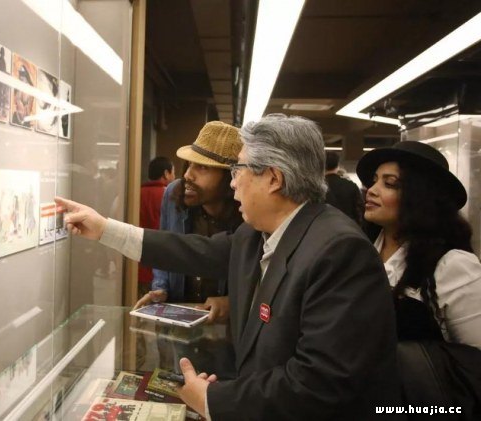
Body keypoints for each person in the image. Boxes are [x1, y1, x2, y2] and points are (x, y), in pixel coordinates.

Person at [55, 114, 401, 420]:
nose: (233, 181)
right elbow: (190, 251)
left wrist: (214, 400)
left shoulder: (339, 252)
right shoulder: (255, 234)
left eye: (239, 170)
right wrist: (104, 229)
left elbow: (319, 382)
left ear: (273, 179)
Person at [356, 141, 481, 348]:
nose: (372, 190)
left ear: (420, 197)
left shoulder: (452, 266)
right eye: (374, 181)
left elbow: (474, 356)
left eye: (390, 184)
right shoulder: (361, 250)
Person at [136, 122, 244, 323]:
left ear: (231, 177)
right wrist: (161, 288)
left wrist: (233, 302)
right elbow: (166, 250)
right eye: (190, 164)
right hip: (178, 320)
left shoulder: (246, 211)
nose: (188, 175)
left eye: (202, 167)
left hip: (225, 327)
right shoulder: (173, 195)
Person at [138, 156, 175, 295]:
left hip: (136, 265)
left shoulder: (135, 194)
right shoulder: (171, 197)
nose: (174, 177)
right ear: (166, 173)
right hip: (160, 264)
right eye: (173, 172)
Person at [324, 151, 364, 225]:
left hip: (323, 226)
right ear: (338, 166)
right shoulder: (351, 185)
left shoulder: (317, 188)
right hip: (348, 226)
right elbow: (359, 210)